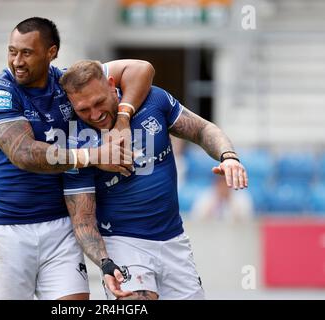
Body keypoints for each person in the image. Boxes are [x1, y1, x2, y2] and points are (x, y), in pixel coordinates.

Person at [0, 17, 155, 300]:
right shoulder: (0, 92)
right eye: (12, 51)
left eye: (27, 52)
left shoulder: (66, 84)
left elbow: (141, 69)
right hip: (7, 227)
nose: (17, 61)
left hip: (61, 229)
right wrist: (93, 156)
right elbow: (23, 153)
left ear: (51, 52)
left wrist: (123, 116)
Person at [60, 60, 248, 300]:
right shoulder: (75, 143)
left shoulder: (153, 100)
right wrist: (106, 263)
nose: (95, 114)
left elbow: (201, 130)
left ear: (110, 84)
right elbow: (83, 220)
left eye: (99, 103)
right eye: (83, 109)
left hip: (174, 241)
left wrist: (228, 156)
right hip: (123, 242)